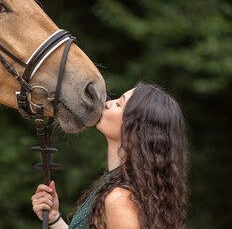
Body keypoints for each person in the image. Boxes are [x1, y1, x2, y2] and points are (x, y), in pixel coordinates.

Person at [31, 82, 188, 229]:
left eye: (119, 104)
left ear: (135, 130)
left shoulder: (119, 199)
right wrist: (54, 218)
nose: (108, 103)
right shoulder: (116, 185)